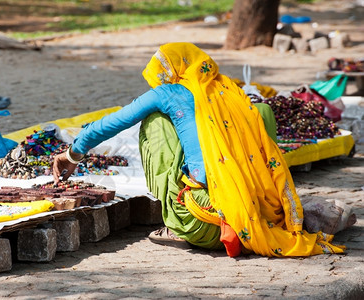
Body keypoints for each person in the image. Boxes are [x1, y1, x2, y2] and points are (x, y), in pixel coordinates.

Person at [53, 42, 344, 257]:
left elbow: (110, 124)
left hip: (205, 225)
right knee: (261, 112)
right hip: (260, 220)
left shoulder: (169, 93)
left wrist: (71, 154)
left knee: (155, 123)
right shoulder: (230, 91)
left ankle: (175, 225)